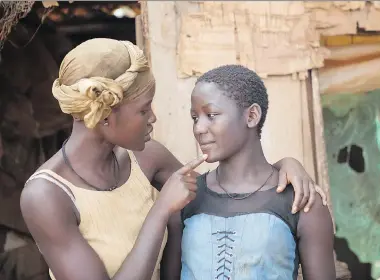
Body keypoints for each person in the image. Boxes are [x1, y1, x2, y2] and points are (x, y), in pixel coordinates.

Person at [19, 38, 326, 280]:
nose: (153, 118)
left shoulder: (145, 157)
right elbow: (178, 203)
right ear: (105, 117)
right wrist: (160, 209)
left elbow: (230, 188)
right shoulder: (46, 196)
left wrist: (287, 166)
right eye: (143, 110)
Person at [175, 65, 335, 279]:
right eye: (195, 117)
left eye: (211, 115)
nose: (198, 128)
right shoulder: (186, 198)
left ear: (251, 116)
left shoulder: (301, 202)